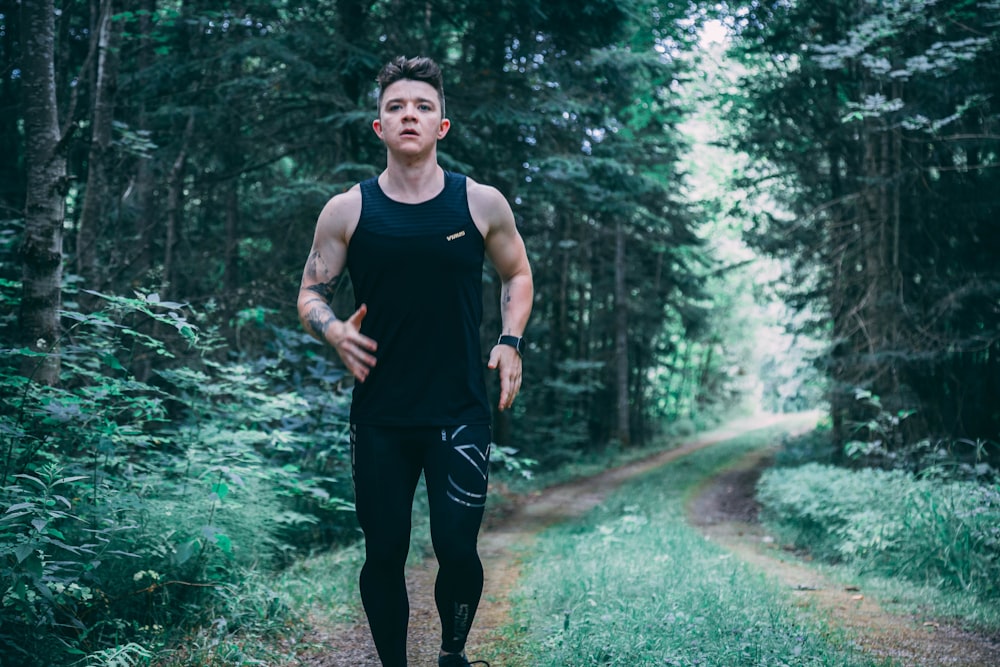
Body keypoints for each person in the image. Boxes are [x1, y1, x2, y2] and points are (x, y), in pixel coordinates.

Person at [296, 56, 533, 667]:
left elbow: (517, 273)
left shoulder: (479, 204)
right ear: (378, 127)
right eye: (396, 106)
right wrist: (332, 331)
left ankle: (452, 655)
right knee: (383, 553)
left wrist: (510, 341)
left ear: (441, 126)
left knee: (457, 548)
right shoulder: (347, 210)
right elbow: (310, 292)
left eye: (422, 106)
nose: (409, 115)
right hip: (380, 415)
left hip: (459, 411)